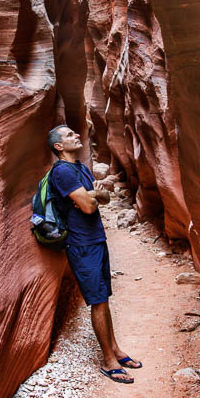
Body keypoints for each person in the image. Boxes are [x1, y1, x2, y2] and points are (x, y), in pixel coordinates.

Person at [47, 125, 142, 384]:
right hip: (81, 244)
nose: (76, 136)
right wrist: (92, 196)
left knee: (104, 298)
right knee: (97, 301)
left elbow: (105, 198)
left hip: (97, 239)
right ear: (58, 146)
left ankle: (116, 349)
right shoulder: (63, 172)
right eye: (69, 135)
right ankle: (109, 361)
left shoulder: (82, 169)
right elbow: (90, 206)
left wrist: (91, 195)